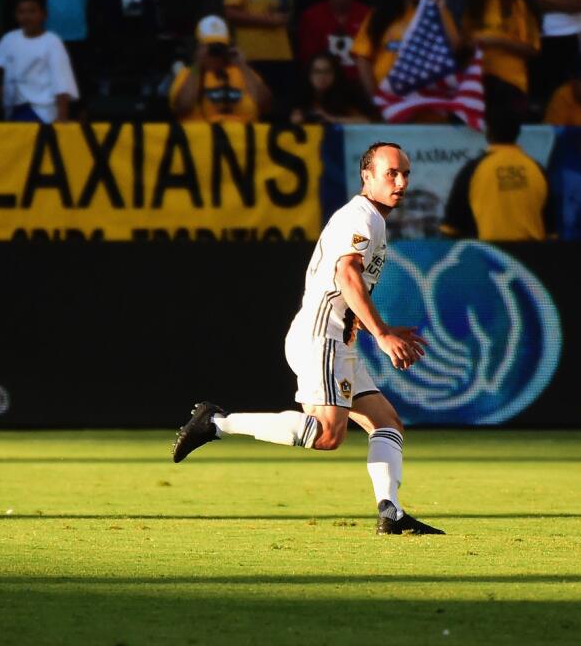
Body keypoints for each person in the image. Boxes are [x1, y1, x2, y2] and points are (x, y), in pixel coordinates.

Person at [171, 141, 445, 538]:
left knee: (387, 423)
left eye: (405, 174)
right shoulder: (361, 216)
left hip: (339, 339)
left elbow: (342, 289)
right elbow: (347, 277)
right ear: (367, 177)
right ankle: (216, 423)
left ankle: (392, 513)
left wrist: (376, 328)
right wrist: (383, 335)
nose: (401, 181)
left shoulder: (372, 219)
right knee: (327, 434)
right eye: (391, 173)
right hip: (323, 337)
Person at [352, 0, 456, 102]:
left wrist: (441, 11)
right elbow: (362, 58)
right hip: (387, 103)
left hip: (426, 104)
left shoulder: (437, 12)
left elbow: (453, 48)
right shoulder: (380, 15)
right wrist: (375, 99)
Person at [442, 106, 551, 240]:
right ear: (518, 133)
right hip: (532, 258)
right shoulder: (538, 170)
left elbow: (450, 229)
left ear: (488, 131)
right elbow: (551, 232)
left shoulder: (472, 170)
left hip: (489, 256)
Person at [462, 0, 542, 113]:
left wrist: (498, 40)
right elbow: (463, 44)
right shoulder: (473, 5)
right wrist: (474, 43)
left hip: (512, 82)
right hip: (478, 84)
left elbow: (533, 48)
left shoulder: (519, 4)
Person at [0, 0, 79, 123]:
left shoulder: (52, 41)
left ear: (44, 14)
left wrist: (62, 117)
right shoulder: (8, 39)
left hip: (41, 111)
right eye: (21, 12)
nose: (26, 17)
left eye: (32, 11)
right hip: (13, 109)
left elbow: (62, 81)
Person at [168, 15, 272, 123]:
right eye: (210, 47)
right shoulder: (189, 74)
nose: (216, 52)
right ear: (198, 47)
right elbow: (183, 107)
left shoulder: (243, 72)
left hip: (241, 137)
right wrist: (198, 64)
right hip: (203, 137)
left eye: (220, 46)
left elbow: (266, 106)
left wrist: (242, 65)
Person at [297, 0, 371, 81]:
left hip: (359, 85)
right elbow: (307, 60)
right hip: (324, 85)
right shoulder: (311, 17)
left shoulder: (367, 16)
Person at [290, 52, 374, 124]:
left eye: (327, 71)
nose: (322, 77)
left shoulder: (347, 93)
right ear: (308, 74)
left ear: (336, 74)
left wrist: (330, 118)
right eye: (317, 71)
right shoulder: (299, 94)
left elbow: (367, 121)